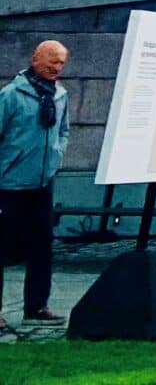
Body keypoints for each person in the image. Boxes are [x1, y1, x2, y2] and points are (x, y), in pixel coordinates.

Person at [0, 39, 69, 330]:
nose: (57, 68)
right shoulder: (11, 95)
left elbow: (63, 131)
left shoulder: (61, 95)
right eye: (52, 61)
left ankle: (37, 306)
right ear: (35, 59)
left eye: (61, 63)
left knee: (42, 247)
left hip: (42, 184)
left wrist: (56, 157)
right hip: (9, 185)